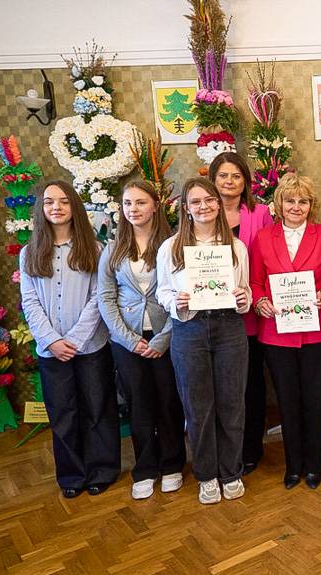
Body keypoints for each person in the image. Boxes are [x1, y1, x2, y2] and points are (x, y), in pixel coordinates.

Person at [156, 177, 252, 505]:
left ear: (218, 204)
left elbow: (245, 289)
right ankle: (207, 475)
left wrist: (244, 298)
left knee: (232, 404)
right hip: (189, 329)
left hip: (229, 329)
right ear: (186, 208)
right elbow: (162, 291)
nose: (204, 206)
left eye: (209, 200)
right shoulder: (170, 248)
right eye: (196, 202)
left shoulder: (236, 247)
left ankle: (231, 472)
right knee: (197, 408)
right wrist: (176, 302)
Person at [20, 180, 118, 498]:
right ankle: (72, 475)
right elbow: (30, 301)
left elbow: (98, 298)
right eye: (49, 202)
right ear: (41, 208)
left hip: (90, 347)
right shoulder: (29, 253)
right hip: (51, 350)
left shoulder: (95, 249)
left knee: (97, 409)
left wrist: (74, 339)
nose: (57, 207)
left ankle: (102, 470)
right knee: (62, 414)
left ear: (74, 206)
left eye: (63, 201)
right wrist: (51, 340)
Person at [250, 173, 321, 490]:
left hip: (317, 332)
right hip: (277, 332)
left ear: (311, 205)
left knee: (314, 399)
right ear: (279, 204)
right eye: (290, 200)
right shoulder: (263, 237)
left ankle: (314, 466)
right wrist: (260, 301)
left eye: (303, 201)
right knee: (287, 400)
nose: (296, 206)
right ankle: (293, 466)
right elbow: (255, 281)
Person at [98, 180, 186, 500]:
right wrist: (128, 340)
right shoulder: (113, 249)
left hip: (167, 336)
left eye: (140, 202)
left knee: (168, 401)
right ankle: (145, 467)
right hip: (128, 341)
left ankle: (173, 464)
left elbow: (182, 294)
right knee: (139, 404)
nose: (133, 209)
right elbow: (105, 298)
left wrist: (163, 339)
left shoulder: (173, 245)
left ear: (155, 206)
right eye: (127, 203)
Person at [209, 152, 274, 475]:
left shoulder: (260, 213)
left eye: (236, 176)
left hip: (250, 317)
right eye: (223, 175)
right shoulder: (202, 210)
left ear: (246, 181)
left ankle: (250, 449)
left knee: (250, 385)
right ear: (213, 179)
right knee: (216, 387)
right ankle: (220, 449)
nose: (229, 181)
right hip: (209, 317)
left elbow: (270, 259)